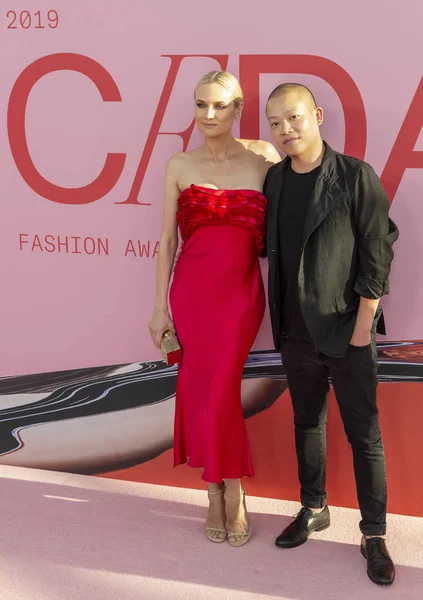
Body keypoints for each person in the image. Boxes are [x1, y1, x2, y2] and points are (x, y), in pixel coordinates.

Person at [263, 82, 399, 585]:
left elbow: (378, 254)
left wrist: (363, 330)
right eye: (275, 122)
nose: (285, 130)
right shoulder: (275, 180)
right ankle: (313, 507)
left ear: (317, 115)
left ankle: (375, 533)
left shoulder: (354, 176)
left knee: (365, 437)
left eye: (294, 118)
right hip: (295, 335)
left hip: (348, 331)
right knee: (307, 424)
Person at [148, 71, 280, 547]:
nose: (208, 115)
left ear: (238, 107)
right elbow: (165, 241)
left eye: (219, 106)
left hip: (241, 293)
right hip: (191, 293)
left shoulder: (264, 158)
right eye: (201, 105)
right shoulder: (179, 164)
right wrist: (159, 308)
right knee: (202, 387)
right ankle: (220, 491)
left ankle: (229, 488)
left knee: (221, 385)